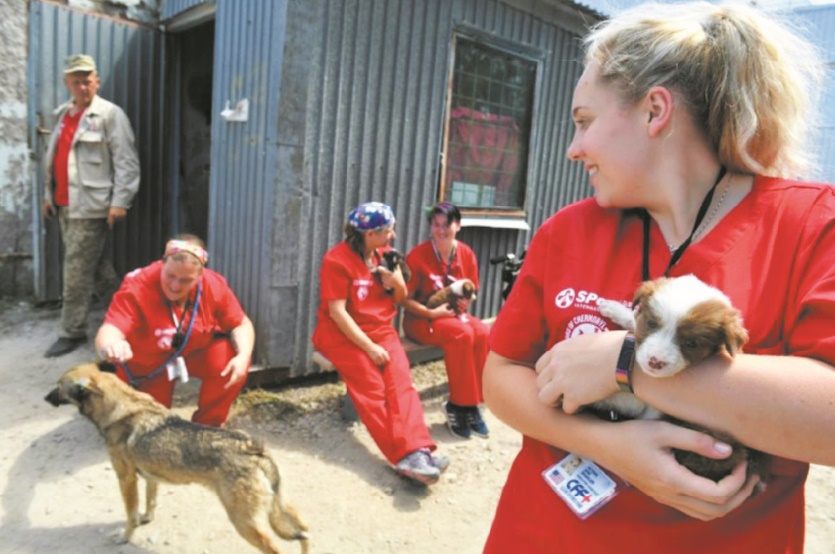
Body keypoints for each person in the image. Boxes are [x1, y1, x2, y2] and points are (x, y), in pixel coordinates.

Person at [482, 3, 835, 553]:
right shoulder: (567, 231)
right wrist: (608, 445)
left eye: (584, 121)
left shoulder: (811, 225)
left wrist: (625, 364)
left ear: (655, 111)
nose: (573, 148)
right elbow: (501, 375)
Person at [312, 202, 449, 485]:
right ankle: (404, 456)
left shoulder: (387, 256)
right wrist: (370, 348)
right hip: (341, 334)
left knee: (402, 384)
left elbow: (399, 299)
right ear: (370, 234)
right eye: (388, 230)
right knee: (373, 388)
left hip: (381, 330)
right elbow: (337, 313)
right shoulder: (336, 261)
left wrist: (397, 282)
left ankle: (419, 450)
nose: (393, 235)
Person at [95, 235, 254, 427]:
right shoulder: (138, 285)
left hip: (192, 351)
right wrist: (112, 345)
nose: (175, 286)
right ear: (162, 264)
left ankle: (207, 425)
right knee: (152, 425)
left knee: (230, 357)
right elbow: (110, 328)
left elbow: (241, 324)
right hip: (148, 363)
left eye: (186, 280)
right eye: (170, 276)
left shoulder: (213, 285)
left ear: (200, 275)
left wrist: (243, 356)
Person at [42, 53, 140, 358]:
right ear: (67, 83)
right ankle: (131, 316)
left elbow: (127, 162)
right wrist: (48, 196)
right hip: (65, 205)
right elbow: (56, 159)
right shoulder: (62, 114)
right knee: (95, 268)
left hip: (92, 207)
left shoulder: (110, 115)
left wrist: (120, 201)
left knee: (76, 270)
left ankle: (71, 331)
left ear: (96, 81)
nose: (82, 86)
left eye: (87, 80)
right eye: (76, 81)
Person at [402, 201, 490, 439]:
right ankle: (458, 405)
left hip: (452, 316)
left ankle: (473, 405)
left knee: (483, 332)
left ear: (458, 225)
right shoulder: (418, 255)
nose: (441, 230)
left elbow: (471, 289)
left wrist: (464, 304)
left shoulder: (465, 253)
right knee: (462, 334)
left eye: (446, 225)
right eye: (436, 224)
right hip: (421, 319)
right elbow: (403, 300)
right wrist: (432, 313)